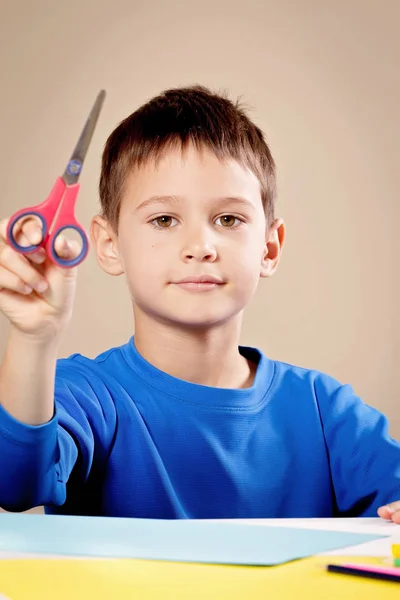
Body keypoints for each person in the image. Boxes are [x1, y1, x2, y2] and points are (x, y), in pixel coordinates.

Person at [0, 85, 399, 522]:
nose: (199, 246)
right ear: (109, 244)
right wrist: (33, 337)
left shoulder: (327, 412)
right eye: (164, 219)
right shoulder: (87, 397)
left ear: (269, 248)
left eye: (228, 219)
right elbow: (15, 485)